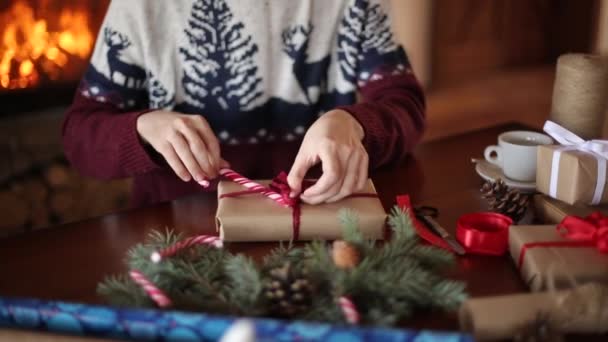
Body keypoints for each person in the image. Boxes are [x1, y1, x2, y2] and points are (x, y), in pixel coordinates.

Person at [62, 0, 425, 207]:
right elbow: (80, 135)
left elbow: (405, 104)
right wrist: (143, 128)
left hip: (318, 215)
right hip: (179, 228)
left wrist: (353, 124)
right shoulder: (142, 8)